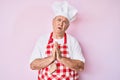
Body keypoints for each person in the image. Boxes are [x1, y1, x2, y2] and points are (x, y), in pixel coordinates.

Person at [29, 1, 85, 80]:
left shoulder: (72, 41)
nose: (61, 23)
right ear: (53, 22)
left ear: (67, 26)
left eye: (64, 22)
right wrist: (51, 58)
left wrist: (61, 58)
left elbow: (80, 66)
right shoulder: (42, 40)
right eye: (59, 20)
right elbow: (33, 65)